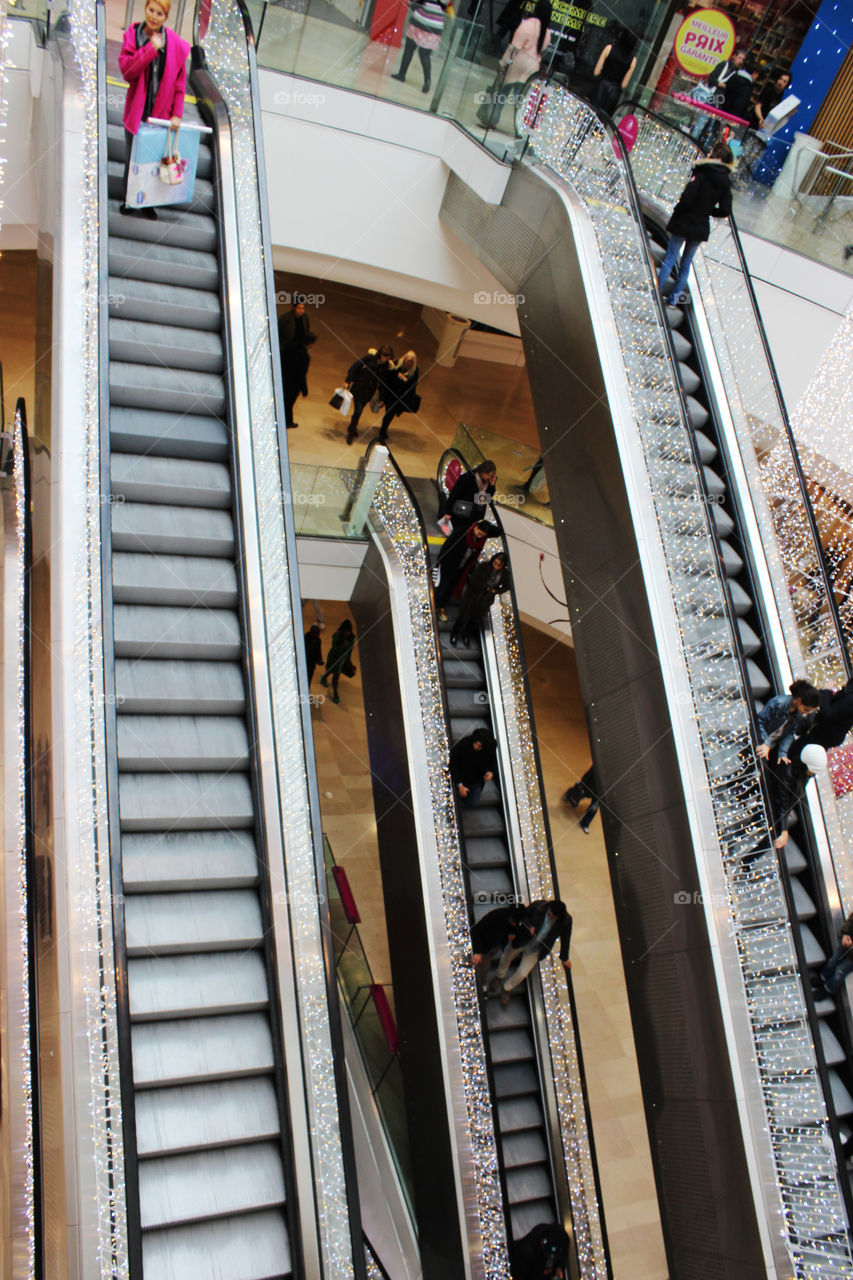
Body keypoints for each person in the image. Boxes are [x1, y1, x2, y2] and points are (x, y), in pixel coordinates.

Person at [119, 0, 190, 220]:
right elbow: (127, 70)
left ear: (166, 17)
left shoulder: (175, 45)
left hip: (160, 116)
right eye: (151, 10)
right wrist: (151, 49)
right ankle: (130, 200)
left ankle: (148, 203)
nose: (154, 16)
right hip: (137, 112)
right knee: (134, 159)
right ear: (145, 9)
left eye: (159, 13)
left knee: (152, 161)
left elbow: (179, 84)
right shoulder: (134, 35)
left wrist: (177, 114)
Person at [657, 141, 734, 306]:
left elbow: (687, 199)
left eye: (711, 151)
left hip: (685, 221)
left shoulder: (701, 173)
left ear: (716, 156)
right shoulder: (725, 183)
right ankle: (673, 301)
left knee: (671, 257)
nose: (708, 153)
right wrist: (708, 210)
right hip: (701, 227)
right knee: (685, 265)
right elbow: (725, 210)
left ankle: (656, 293)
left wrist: (677, 214)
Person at [477, 0, 551, 131]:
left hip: (519, 61)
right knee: (521, 98)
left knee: (502, 92)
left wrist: (502, 63)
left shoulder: (528, 25)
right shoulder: (547, 32)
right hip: (533, 66)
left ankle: (491, 119)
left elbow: (514, 47)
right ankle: (520, 127)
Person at [489, 899, 571, 1006]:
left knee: (523, 973)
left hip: (537, 949)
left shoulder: (566, 921)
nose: (550, 917)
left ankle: (507, 988)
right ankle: (499, 976)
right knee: (507, 957)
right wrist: (530, 925)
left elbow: (566, 938)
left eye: (553, 917)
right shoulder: (539, 906)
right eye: (550, 914)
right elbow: (523, 916)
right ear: (549, 908)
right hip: (522, 939)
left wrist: (564, 958)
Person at [434, 518, 499, 620]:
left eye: (483, 535)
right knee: (443, 587)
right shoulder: (462, 532)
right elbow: (447, 545)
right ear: (475, 527)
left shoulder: (479, 540)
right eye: (479, 533)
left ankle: (442, 607)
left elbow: (497, 532)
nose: (480, 536)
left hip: (462, 569)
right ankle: (435, 606)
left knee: (450, 589)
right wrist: (440, 561)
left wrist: (482, 521)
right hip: (449, 565)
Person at [768, 742, 827, 849]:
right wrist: (783, 829)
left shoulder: (803, 776)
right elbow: (781, 802)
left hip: (777, 814)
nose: (814, 774)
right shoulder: (789, 774)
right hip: (771, 810)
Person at [450, 551, 511, 646]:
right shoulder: (485, 566)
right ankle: (454, 634)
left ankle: (465, 635)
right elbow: (472, 579)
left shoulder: (504, 574)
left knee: (474, 619)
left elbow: (507, 586)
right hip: (473, 595)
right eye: (495, 563)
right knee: (463, 615)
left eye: (499, 565)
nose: (496, 566)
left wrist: (496, 591)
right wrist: (485, 587)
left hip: (485, 599)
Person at [391, 0, 451, 94]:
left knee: (409, 48)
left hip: (421, 18)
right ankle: (427, 80)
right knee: (424, 54)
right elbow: (445, 5)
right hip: (436, 21)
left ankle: (402, 74)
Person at [755, 679, 820, 765]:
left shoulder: (797, 714)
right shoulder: (778, 703)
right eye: (806, 709)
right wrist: (766, 743)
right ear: (799, 700)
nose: (806, 713)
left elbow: (789, 733)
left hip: (767, 746)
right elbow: (759, 721)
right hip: (758, 739)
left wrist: (782, 753)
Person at [470, 901, 525, 993]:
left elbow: (515, 930)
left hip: (495, 945)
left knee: (485, 965)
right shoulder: (495, 916)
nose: (514, 924)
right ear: (510, 916)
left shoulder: (515, 922)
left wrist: (512, 935)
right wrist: (478, 952)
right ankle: (481, 987)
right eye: (514, 921)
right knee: (484, 968)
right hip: (483, 946)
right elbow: (476, 931)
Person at [278, 300, 317, 428]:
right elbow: (301, 374)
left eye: (302, 308)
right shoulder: (286, 319)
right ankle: (286, 420)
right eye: (299, 308)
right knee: (288, 400)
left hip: (294, 352)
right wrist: (304, 389)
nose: (301, 310)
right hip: (287, 352)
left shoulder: (305, 319)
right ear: (294, 307)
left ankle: (287, 420)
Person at [345, 345, 394, 444]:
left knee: (359, 410)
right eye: (385, 356)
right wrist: (348, 380)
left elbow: (383, 383)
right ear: (380, 354)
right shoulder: (370, 358)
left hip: (369, 392)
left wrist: (382, 398)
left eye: (388, 357)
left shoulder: (385, 366)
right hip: (359, 387)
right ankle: (351, 431)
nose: (386, 359)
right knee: (358, 411)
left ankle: (352, 427)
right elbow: (355, 366)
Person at [793, 676, 853, 754]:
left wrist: (827, 691)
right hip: (824, 733)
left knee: (796, 752)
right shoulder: (849, 693)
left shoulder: (850, 699)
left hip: (825, 734)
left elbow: (828, 715)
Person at [442, 459, 498, 537]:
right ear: (483, 471)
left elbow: (487, 498)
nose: (489, 477)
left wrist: (492, 485)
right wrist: (447, 512)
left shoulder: (488, 482)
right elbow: (454, 495)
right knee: (456, 535)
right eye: (488, 474)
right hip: (462, 513)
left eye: (491, 475)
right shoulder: (467, 478)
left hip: (476, 514)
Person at [591, 25, 637, 116]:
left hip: (600, 86)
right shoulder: (633, 60)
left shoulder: (609, 48)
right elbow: (624, 85)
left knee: (591, 114)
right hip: (613, 93)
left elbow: (596, 72)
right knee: (603, 120)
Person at [378, 351, 419, 443]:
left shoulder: (415, 371)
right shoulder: (395, 365)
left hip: (401, 397)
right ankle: (383, 431)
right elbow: (387, 378)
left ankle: (383, 429)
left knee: (391, 414)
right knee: (389, 413)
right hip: (391, 394)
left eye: (411, 362)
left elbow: (413, 385)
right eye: (408, 361)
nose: (409, 363)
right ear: (404, 359)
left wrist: (404, 379)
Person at [450, 727, 498, 806]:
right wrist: (460, 785)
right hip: (460, 774)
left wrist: (491, 771)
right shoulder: (463, 745)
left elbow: (492, 759)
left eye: (479, 746)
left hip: (476, 779)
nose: (476, 747)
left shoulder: (490, 747)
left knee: (473, 800)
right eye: (475, 744)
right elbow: (453, 765)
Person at [319, 619, 356, 705]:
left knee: (336, 676)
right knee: (330, 670)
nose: (347, 633)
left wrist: (349, 661)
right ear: (342, 630)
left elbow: (349, 651)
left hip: (341, 661)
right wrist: (342, 645)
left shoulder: (351, 640)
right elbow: (334, 648)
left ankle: (335, 692)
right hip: (333, 658)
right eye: (346, 631)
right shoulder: (336, 636)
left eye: (349, 631)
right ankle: (324, 679)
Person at [817, 908, 853, 997]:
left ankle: (827, 989)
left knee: (840, 971)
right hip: (848, 942)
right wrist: (846, 934)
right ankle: (822, 978)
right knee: (833, 960)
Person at [562, 764, 601, 834]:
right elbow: (589, 774)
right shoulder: (599, 765)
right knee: (578, 792)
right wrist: (582, 784)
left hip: (599, 792)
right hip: (590, 786)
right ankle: (568, 794)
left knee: (594, 808)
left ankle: (585, 824)